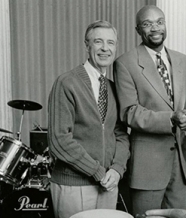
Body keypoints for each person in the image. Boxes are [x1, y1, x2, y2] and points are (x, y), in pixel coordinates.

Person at [113, 5, 186, 217]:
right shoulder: (125, 63)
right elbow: (129, 112)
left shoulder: (182, 61)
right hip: (148, 167)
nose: (155, 28)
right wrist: (172, 119)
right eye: (147, 24)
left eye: (159, 22)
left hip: (180, 164)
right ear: (138, 30)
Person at [47, 20, 130, 218]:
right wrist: (97, 172)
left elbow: (120, 134)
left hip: (108, 184)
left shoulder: (113, 87)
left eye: (110, 43)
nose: (105, 48)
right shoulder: (67, 82)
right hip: (74, 186)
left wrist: (117, 170)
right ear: (87, 45)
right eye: (98, 42)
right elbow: (59, 140)